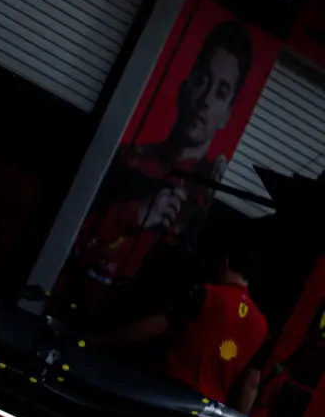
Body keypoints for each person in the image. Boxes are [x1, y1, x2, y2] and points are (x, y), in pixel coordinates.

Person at [61, 20, 255, 318]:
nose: (205, 101)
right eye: (203, 80)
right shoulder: (127, 159)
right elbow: (67, 239)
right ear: (185, 86)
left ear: (227, 115)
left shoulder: (206, 197)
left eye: (221, 92)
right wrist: (135, 214)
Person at [87, 243, 269, 412]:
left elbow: (155, 326)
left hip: (167, 394)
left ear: (225, 262)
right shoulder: (261, 326)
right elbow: (251, 384)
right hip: (205, 413)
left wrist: (100, 340)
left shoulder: (207, 294)